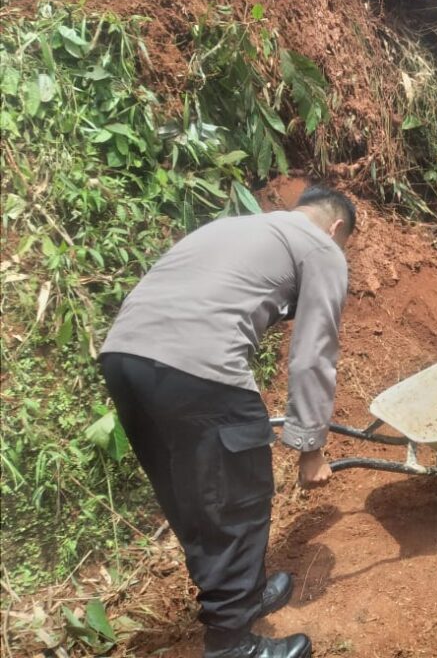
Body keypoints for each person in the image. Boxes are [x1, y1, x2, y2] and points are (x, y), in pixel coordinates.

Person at [100, 186, 356, 658]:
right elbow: (313, 353)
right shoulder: (322, 247)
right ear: (336, 227)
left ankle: (244, 597)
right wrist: (311, 447)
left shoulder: (239, 227)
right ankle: (231, 645)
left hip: (124, 359)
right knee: (236, 499)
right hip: (198, 367)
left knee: (194, 499)